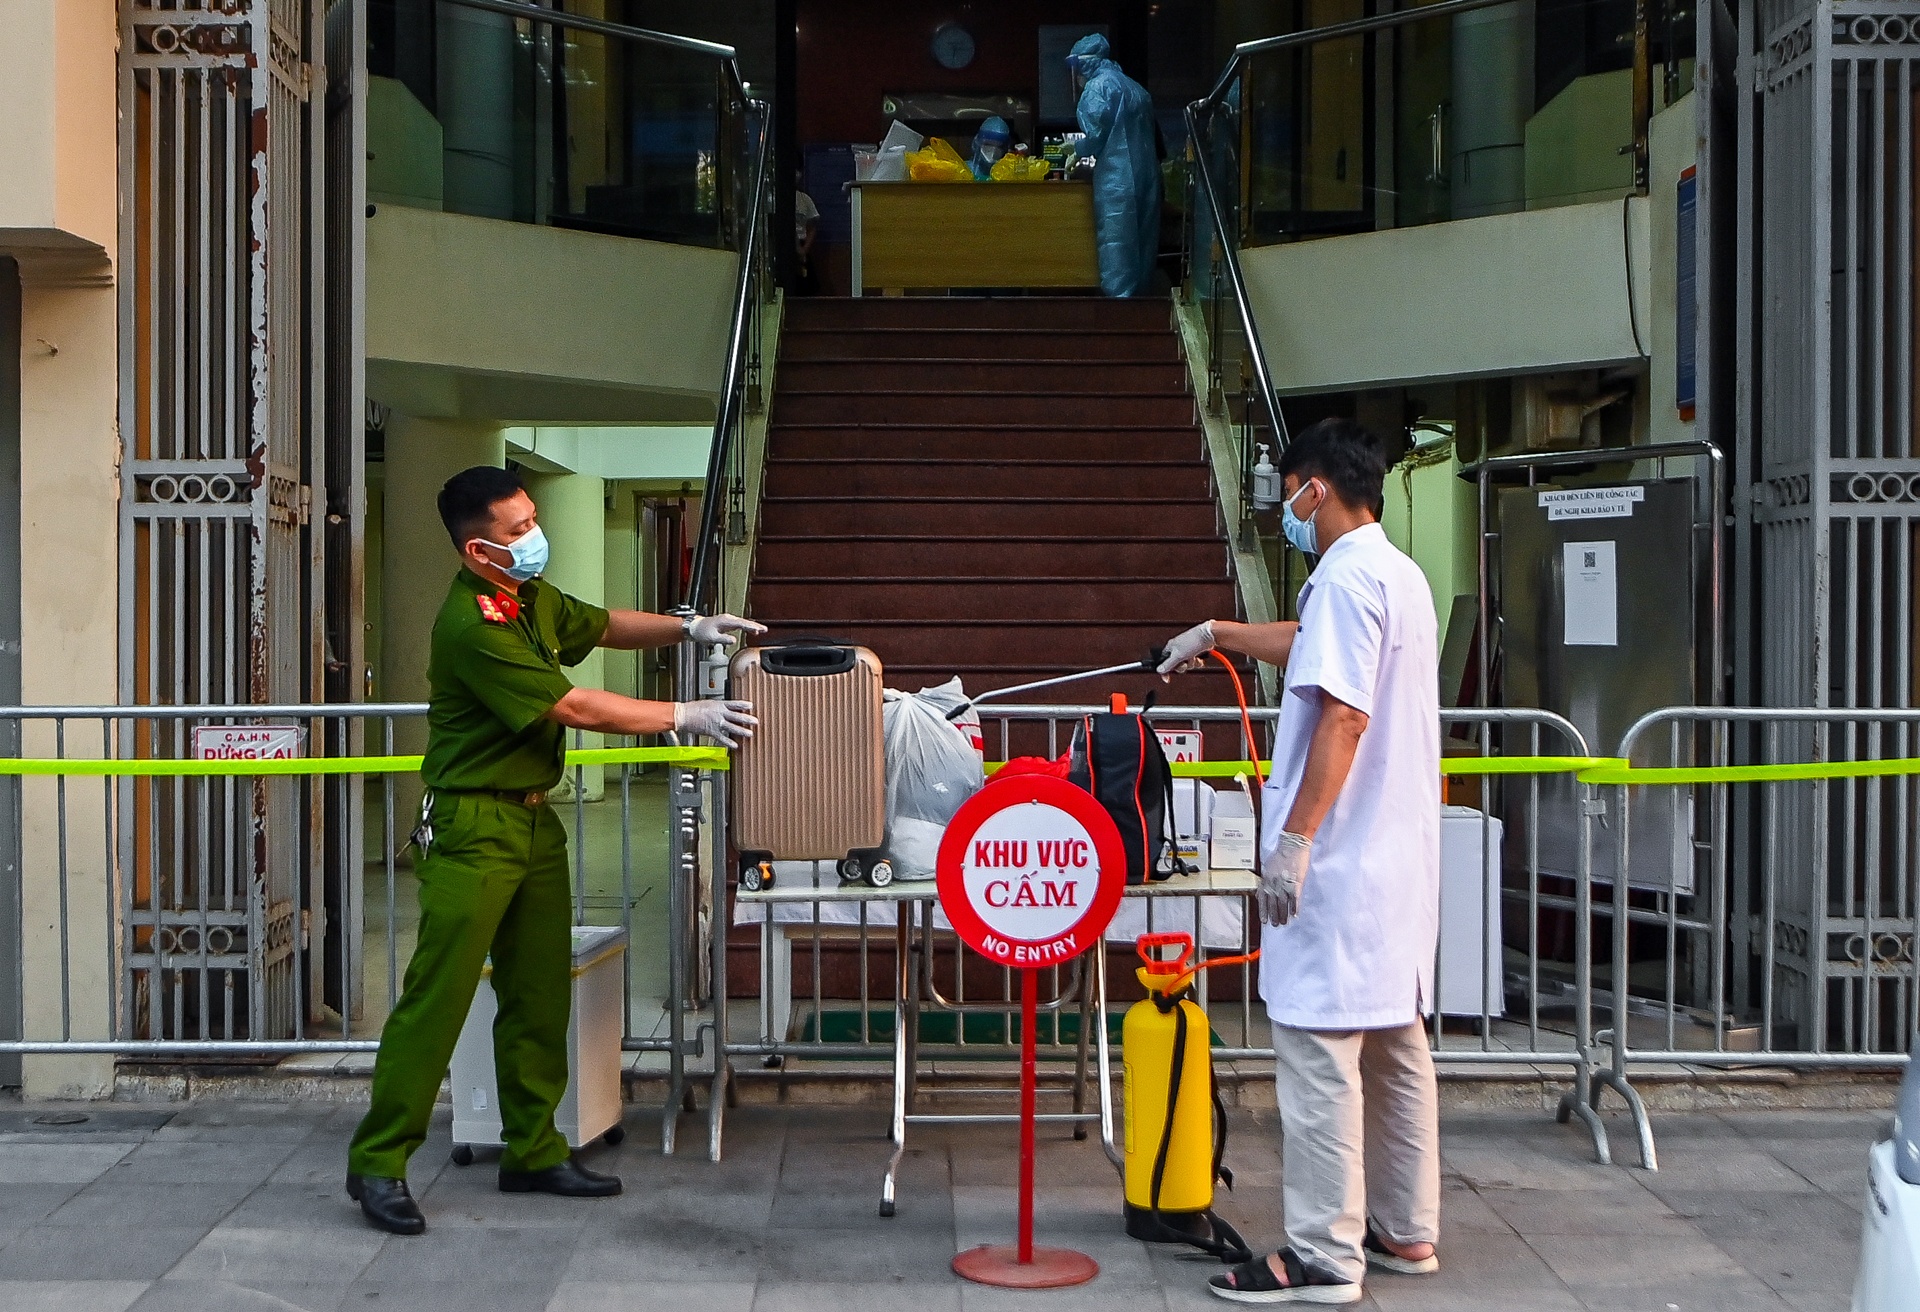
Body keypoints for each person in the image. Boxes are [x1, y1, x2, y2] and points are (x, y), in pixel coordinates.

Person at [346, 465, 762, 1236]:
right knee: (437, 1000)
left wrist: (688, 627)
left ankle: (533, 1149)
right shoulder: (473, 624)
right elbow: (573, 706)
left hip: (535, 821)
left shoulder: (526, 596)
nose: (535, 535)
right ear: (479, 550)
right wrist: (683, 714)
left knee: (539, 994)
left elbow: (600, 625)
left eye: (533, 517)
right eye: (518, 529)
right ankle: (378, 1161)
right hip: (474, 828)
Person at [1156, 419, 1442, 1305]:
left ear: (1316, 489)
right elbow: (1311, 640)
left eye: (1288, 494)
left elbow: (1343, 716)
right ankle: (1405, 1229)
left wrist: (1295, 840)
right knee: (1396, 1048)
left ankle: (1322, 1256)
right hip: (1393, 871)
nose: (1286, 511)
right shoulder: (1395, 574)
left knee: (1319, 1057)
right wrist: (1219, 633)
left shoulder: (1349, 581)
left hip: (1339, 866)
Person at [1066, 33, 1161, 297]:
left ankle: (1120, 313)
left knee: (1117, 247)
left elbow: (1097, 134)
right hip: (1149, 176)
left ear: (1084, 64)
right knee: (1143, 246)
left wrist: (1076, 150)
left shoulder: (1098, 88)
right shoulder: (1135, 87)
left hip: (1117, 179)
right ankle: (1142, 311)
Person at [794, 169, 821, 296]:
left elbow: (812, 227)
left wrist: (804, 250)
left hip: (802, 244)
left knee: (808, 286)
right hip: (783, 245)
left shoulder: (804, 199)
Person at [968, 115, 1013, 180]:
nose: (993, 151)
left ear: (1005, 149)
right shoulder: (963, 170)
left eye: (999, 146)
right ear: (977, 143)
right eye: (987, 144)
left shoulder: (1008, 174)